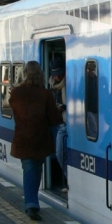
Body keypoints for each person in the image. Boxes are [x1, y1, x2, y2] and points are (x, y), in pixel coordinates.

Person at [10, 60, 62, 221]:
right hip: (40, 139)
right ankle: (32, 203)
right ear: (41, 74)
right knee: (36, 170)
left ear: (25, 73)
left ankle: (31, 203)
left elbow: (14, 110)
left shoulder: (16, 93)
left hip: (23, 139)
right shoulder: (45, 94)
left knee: (28, 170)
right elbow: (53, 120)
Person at [48, 58, 67, 191]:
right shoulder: (51, 86)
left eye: (60, 74)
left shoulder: (69, 84)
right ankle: (66, 178)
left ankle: (67, 180)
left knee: (60, 154)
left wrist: (64, 107)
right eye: (55, 74)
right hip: (55, 122)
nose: (57, 77)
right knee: (57, 153)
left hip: (65, 123)